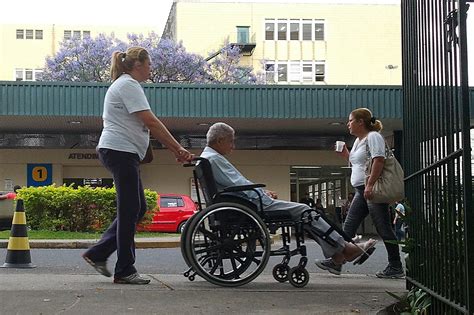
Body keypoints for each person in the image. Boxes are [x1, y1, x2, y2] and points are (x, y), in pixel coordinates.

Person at [82, 47, 193, 285]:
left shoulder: (125, 84)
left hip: (121, 151)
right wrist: (178, 149)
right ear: (138, 64)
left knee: (137, 208)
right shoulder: (129, 85)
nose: (151, 68)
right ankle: (124, 270)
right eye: (149, 63)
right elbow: (151, 122)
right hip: (120, 151)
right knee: (130, 209)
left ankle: (99, 253)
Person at [200, 122, 377, 270]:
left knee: (305, 215)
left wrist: (262, 191)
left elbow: (236, 184)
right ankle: (345, 248)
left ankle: (339, 253)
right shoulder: (215, 159)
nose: (233, 146)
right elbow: (238, 185)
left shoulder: (209, 158)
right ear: (220, 140)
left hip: (246, 201)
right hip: (254, 204)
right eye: (231, 141)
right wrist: (262, 192)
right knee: (306, 211)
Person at [315, 108, 404, 279]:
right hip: (361, 190)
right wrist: (345, 154)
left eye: (350, 120)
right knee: (347, 227)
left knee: (383, 227)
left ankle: (395, 265)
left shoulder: (374, 137)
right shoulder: (357, 141)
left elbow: (379, 160)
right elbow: (358, 164)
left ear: (360, 122)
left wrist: (370, 185)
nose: (347, 124)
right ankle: (337, 261)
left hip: (371, 189)